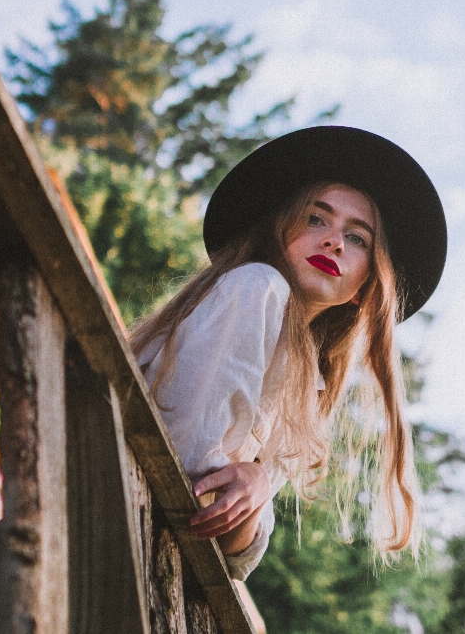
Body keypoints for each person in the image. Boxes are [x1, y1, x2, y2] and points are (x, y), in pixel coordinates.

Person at [128, 125, 447, 579]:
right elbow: (186, 473)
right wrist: (237, 492)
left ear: (363, 288)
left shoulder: (308, 382)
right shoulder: (255, 286)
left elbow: (239, 558)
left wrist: (255, 484)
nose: (334, 240)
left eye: (357, 239)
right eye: (316, 219)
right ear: (278, 229)